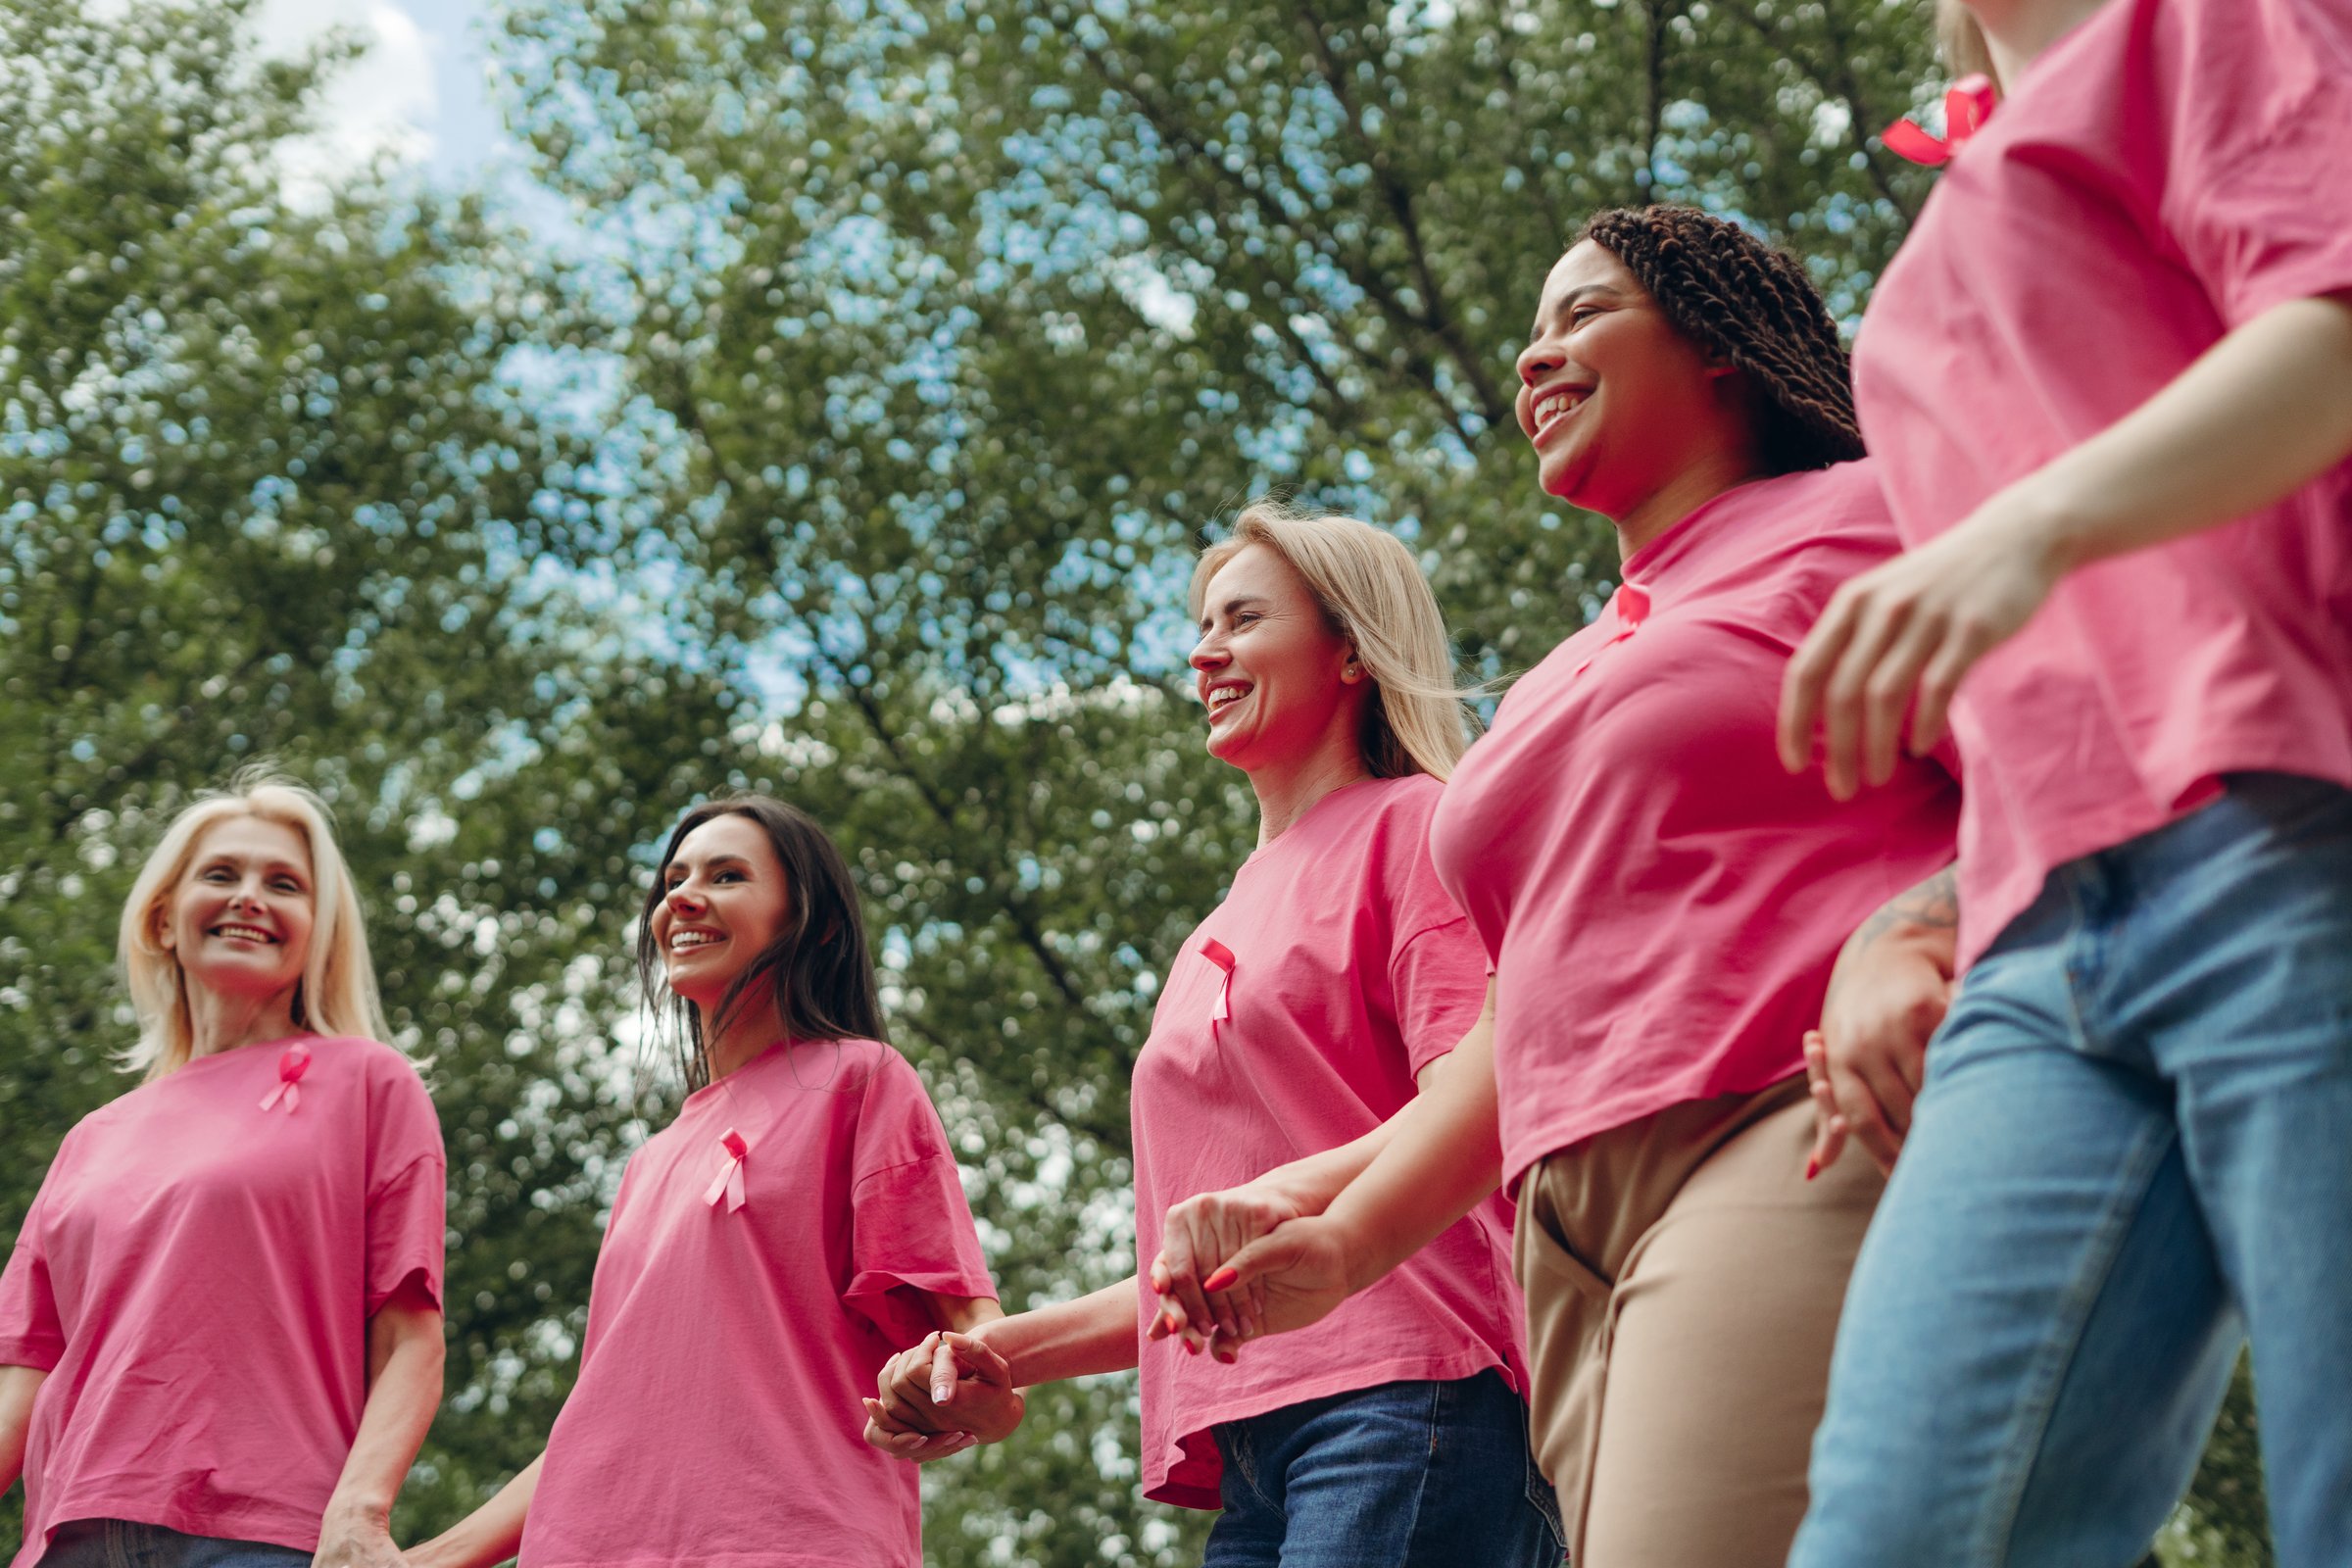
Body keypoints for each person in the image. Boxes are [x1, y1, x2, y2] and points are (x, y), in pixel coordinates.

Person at [1170, 208, 1963, 1568]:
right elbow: (1524, 1017)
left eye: (1582, 315)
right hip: (1568, 1239)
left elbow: (2072, 741)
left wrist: (1926, 929)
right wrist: (1352, 1233)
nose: (1536, 356)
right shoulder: (1562, 673)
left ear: (1718, 347)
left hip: (1782, 1121)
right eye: (1531, 330)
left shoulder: (1868, 516)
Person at [1773, 0, 2352, 1560]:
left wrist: (2031, 528)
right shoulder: (1941, 223)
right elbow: (2073, 661)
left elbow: (2337, 329)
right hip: (2038, 951)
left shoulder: (2220, 22)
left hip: (2297, 835)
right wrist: (1912, 913)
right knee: (1893, 1534)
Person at [863, 504, 1559, 1567]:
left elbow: (1480, 1097)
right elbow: (1192, 1266)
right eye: (1201, 623)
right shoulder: (1214, 929)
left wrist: (1289, 1201)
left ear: (1351, 653)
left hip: (1413, 1400)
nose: (1204, 649)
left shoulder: (1418, 826)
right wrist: (996, 1350)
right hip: (1253, 1444)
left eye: (1241, 618)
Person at [403, 796, 998, 1568]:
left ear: (811, 924)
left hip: (793, 1544)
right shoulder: (652, 1160)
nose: (681, 897)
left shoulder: (860, 1082)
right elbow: (600, 1425)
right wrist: (423, 1559)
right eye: (673, 878)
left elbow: (975, 1337)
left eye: (726, 876)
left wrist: (969, 1393)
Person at [0, 770, 446, 1568]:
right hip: (69, 1542)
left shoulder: (369, 1083)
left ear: (317, 929)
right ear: (164, 920)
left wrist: (360, 1513)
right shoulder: (92, 1138)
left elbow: (411, 1339)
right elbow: (25, 1377)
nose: (249, 897)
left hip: (262, 1539)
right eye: (221, 874)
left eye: (283, 884)